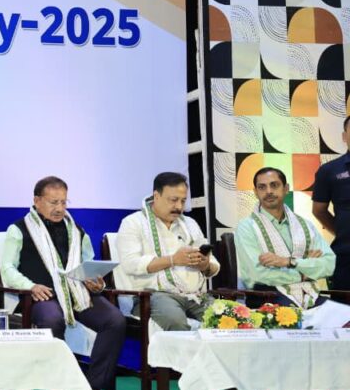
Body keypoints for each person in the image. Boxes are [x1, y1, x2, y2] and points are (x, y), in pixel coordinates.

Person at [0, 176, 124, 390]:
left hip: (77, 292)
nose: (59, 208)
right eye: (53, 202)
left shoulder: (76, 230)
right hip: (42, 295)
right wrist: (30, 286)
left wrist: (96, 281)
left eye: (64, 202)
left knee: (115, 320)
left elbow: (89, 263)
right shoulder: (19, 229)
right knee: (52, 320)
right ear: (37, 201)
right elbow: (8, 269)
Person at [236, 167, 350, 329]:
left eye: (274, 185)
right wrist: (304, 272)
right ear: (255, 192)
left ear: (286, 188)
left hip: (311, 295)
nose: (268, 191)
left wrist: (289, 262)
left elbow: (329, 264)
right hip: (269, 296)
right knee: (293, 321)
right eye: (262, 187)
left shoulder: (305, 225)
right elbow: (256, 274)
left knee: (344, 317)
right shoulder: (247, 227)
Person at [117, 172, 219, 330]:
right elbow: (130, 264)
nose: (179, 207)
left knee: (228, 319)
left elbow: (213, 264)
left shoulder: (190, 224)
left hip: (196, 295)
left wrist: (205, 265)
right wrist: (173, 260)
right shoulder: (133, 223)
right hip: (154, 295)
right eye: (173, 200)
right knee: (175, 321)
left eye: (183, 201)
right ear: (156, 196)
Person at [312, 116, 350, 291]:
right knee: (343, 306)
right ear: (344, 136)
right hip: (346, 255)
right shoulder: (329, 171)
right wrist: (341, 231)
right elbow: (319, 210)